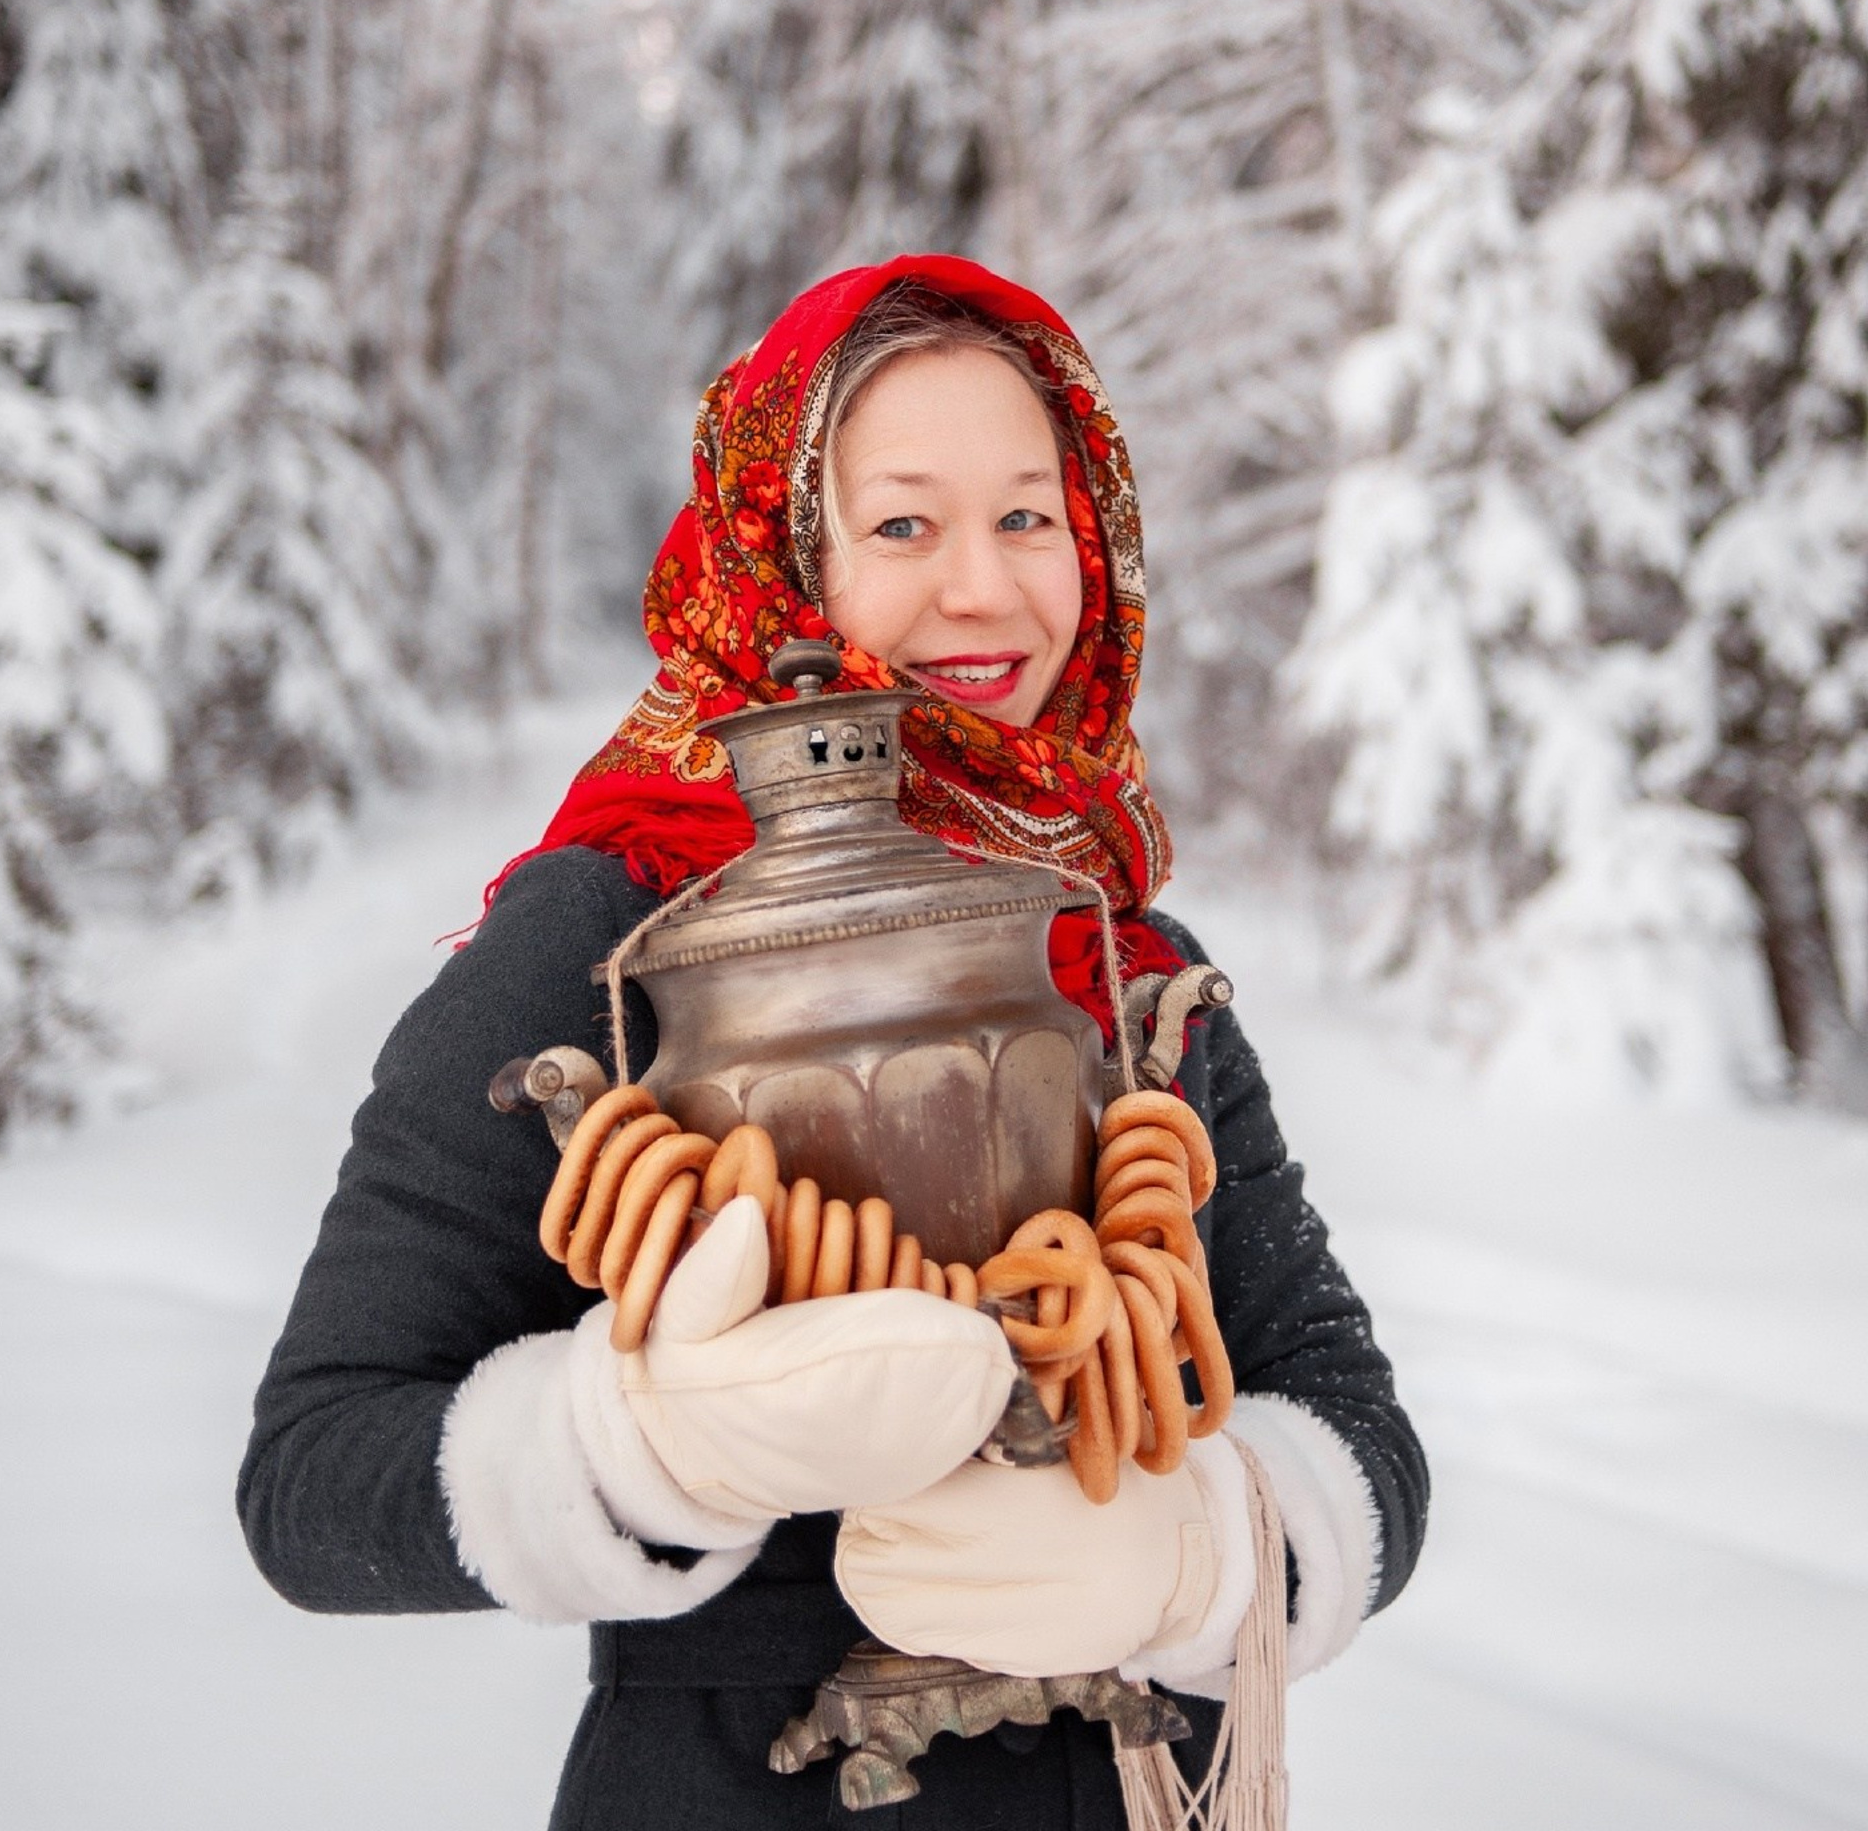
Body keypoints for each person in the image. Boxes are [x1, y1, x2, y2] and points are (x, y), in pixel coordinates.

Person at [238, 254, 1428, 1830]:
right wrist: (653, 1448)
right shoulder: (615, 933)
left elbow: (1353, 1426)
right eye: (904, 525)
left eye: (1028, 515)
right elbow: (315, 1477)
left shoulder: (1128, 953)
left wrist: (1200, 1555)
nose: (987, 590)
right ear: (784, 556)